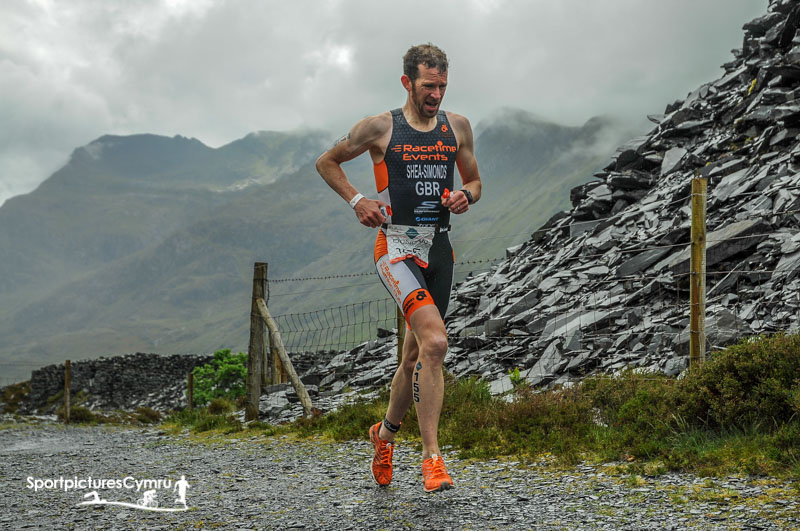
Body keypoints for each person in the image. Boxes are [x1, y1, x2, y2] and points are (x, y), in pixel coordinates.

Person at [316, 43, 482, 493]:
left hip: (440, 251)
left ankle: (384, 436)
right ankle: (432, 459)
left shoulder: (458, 127)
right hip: (396, 249)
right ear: (408, 82)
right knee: (436, 342)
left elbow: (474, 180)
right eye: (429, 85)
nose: (437, 94)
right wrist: (358, 200)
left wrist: (466, 195)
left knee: (414, 357)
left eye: (443, 85)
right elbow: (326, 162)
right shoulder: (379, 127)